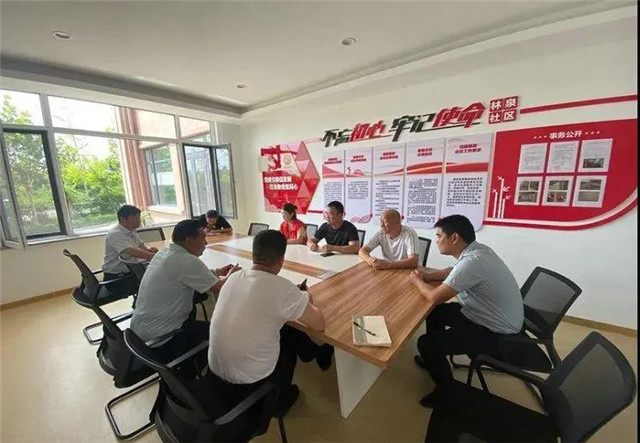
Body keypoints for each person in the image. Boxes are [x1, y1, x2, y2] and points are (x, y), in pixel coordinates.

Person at [208, 230, 334, 415]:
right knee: (290, 336)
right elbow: (319, 324)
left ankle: (314, 353)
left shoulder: (234, 278)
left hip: (215, 368)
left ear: (253, 255)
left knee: (286, 326)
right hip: (251, 377)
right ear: (281, 259)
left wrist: (295, 298)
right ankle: (280, 400)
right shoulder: (283, 288)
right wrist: (307, 297)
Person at [408, 214, 524, 408]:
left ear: (454, 238)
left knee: (426, 343)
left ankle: (446, 392)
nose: (436, 240)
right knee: (435, 313)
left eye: (439, 236)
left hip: (496, 333)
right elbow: (451, 272)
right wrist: (427, 276)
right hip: (484, 314)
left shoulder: (473, 262)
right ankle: (435, 361)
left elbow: (436, 297)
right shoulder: (478, 251)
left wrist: (417, 281)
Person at [130, 219, 239, 363]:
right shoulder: (186, 260)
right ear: (189, 241)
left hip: (139, 334)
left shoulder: (164, 253)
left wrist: (217, 271)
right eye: (203, 238)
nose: (206, 243)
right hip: (163, 339)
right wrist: (232, 274)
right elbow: (218, 288)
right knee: (223, 331)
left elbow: (189, 274)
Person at [102, 205, 158, 297]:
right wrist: (152, 256)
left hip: (131, 273)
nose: (138, 220)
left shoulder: (131, 231)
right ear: (123, 219)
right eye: (134, 218)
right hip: (117, 279)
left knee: (158, 276)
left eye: (139, 217)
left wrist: (148, 249)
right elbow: (130, 251)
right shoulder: (115, 234)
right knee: (158, 281)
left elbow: (141, 244)